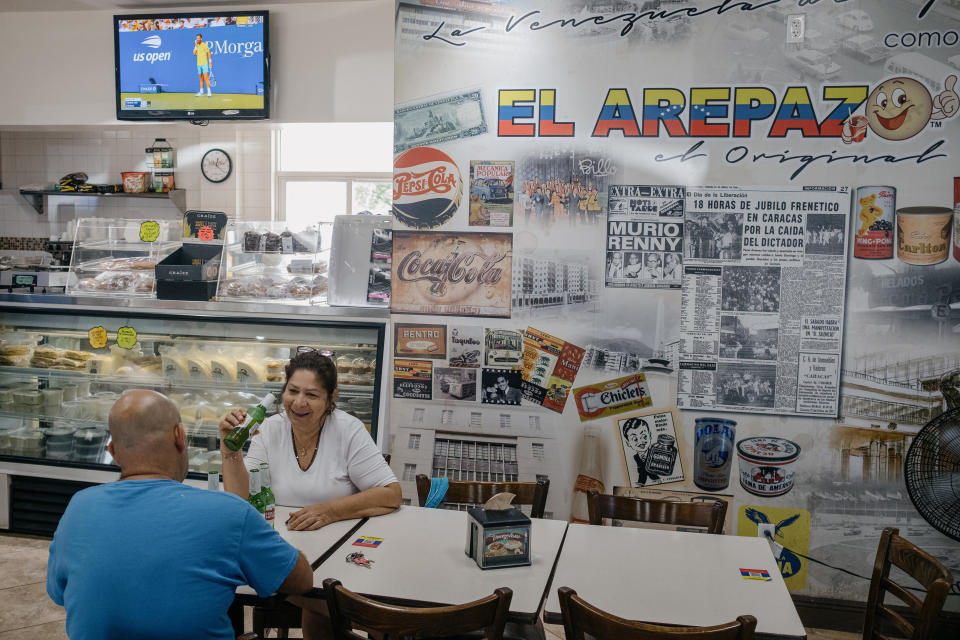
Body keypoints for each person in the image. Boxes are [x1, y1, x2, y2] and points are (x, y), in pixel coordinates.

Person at [47, 390, 313, 640]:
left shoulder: (78, 508)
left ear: (113, 452)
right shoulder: (227, 513)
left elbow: (59, 593)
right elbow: (300, 580)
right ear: (179, 436)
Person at [621, 417, 660, 486]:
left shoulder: (654, 453)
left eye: (644, 436)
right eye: (635, 439)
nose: (640, 441)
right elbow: (642, 471)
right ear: (628, 443)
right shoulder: (636, 457)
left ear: (650, 435)